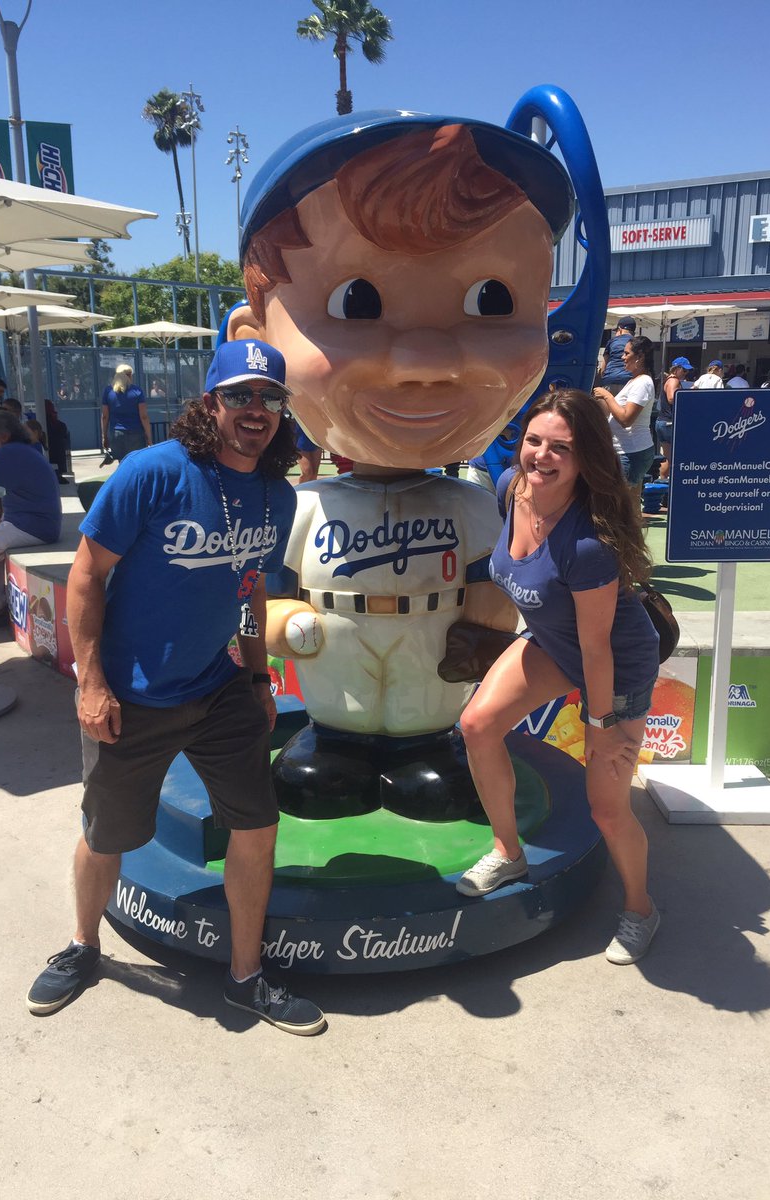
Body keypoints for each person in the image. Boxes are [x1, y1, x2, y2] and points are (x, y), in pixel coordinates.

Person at [226, 111, 573, 818]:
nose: (427, 360)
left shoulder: (476, 505)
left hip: (431, 656)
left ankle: (424, 749)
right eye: (357, 302)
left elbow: (494, 584)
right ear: (254, 339)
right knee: (327, 767)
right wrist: (282, 620)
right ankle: (338, 748)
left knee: (428, 754)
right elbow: (259, 591)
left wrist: (488, 624)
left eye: (492, 299)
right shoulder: (300, 506)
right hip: (335, 652)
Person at [25, 338, 326, 1036]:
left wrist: (256, 675)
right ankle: (82, 946)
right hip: (132, 696)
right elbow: (86, 575)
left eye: (269, 398)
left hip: (220, 690)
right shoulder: (152, 472)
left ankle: (246, 978)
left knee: (257, 827)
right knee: (108, 835)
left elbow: (251, 590)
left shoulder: (277, 498)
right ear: (209, 402)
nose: (256, 409)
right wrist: (90, 683)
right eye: (240, 395)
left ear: (283, 411)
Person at [458, 389, 661, 963]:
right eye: (534, 441)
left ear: (585, 458)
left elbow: (597, 649)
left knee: (607, 806)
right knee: (476, 725)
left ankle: (642, 908)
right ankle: (508, 850)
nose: (541, 456)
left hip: (615, 664)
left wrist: (602, 725)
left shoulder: (589, 544)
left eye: (561, 449)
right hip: (554, 641)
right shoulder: (509, 491)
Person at [0, 410, 62, 632]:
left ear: (4, 436)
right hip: (33, 522)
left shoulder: (8, 453)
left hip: (33, 526)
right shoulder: (20, 450)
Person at [592, 335, 656, 490]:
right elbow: (615, 412)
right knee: (629, 504)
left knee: (618, 504)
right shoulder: (634, 381)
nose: (622, 357)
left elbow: (626, 418)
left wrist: (607, 396)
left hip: (631, 452)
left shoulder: (642, 383)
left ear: (640, 357)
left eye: (627, 353)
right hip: (629, 451)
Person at [100, 364, 151, 461]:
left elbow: (105, 416)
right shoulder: (137, 391)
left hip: (117, 433)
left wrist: (104, 436)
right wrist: (149, 437)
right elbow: (143, 416)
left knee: (122, 462)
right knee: (137, 462)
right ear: (129, 375)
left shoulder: (108, 391)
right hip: (136, 432)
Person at [655, 356, 691, 479]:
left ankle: (663, 481)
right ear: (677, 369)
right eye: (684, 370)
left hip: (662, 422)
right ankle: (669, 482)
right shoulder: (674, 380)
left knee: (667, 457)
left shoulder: (668, 380)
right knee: (673, 457)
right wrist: (686, 396)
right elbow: (671, 398)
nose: (686, 373)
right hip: (669, 422)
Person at [598, 317, 636, 394]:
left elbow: (603, 368)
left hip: (610, 379)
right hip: (629, 380)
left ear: (620, 329)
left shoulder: (612, 341)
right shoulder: (636, 342)